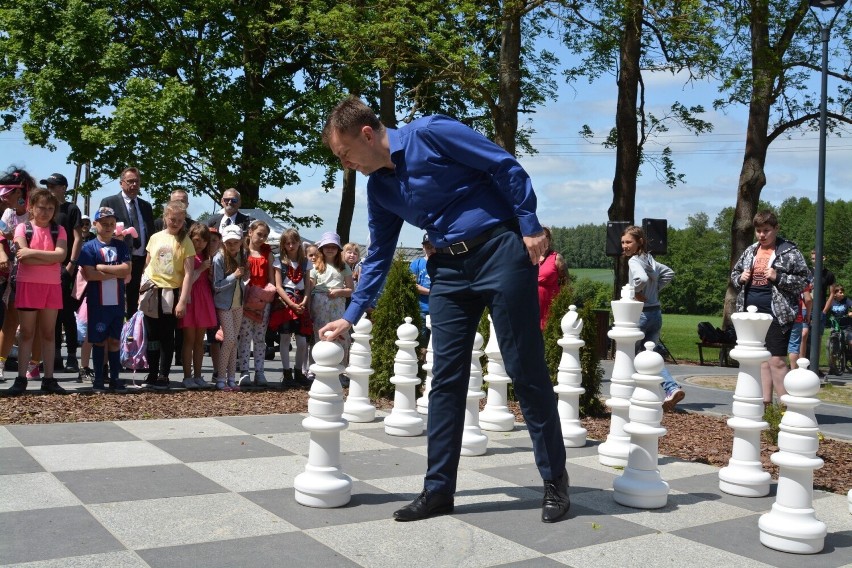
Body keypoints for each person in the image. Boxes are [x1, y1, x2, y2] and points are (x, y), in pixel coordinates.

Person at [319, 97, 570, 524]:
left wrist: (528, 224)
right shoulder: (378, 188)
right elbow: (379, 253)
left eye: (345, 155)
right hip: (448, 270)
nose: (347, 165)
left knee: (524, 368)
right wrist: (352, 313)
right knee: (444, 379)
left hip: (500, 251)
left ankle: (554, 482)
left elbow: (503, 165)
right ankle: (437, 491)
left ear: (366, 133)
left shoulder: (430, 133)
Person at [731, 210, 808, 406]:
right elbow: (735, 274)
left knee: (776, 360)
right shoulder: (750, 251)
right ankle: (765, 405)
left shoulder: (789, 251)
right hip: (750, 311)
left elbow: (804, 281)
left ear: (776, 228)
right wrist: (740, 278)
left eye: (766, 230)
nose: (762, 235)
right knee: (761, 360)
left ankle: (784, 406)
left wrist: (778, 277)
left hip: (777, 312)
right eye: (758, 231)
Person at [7, 188, 67, 395]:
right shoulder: (22, 228)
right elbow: (22, 257)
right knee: (26, 334)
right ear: (31, 208)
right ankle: (21, 378)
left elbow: (60, 255)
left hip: (52, 287)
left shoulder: (59, 230)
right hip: (27, 285)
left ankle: (48, 378)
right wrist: (47, 256)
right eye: (41, 207)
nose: (46, 212)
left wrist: (33, 253)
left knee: (49, 334)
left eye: (50, 208)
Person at [621, 225, 684, 411]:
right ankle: (671, 389)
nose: (625, 246)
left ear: (639, 242)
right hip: (656, 313)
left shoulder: (634, 261)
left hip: (640, 314)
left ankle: (629, 395)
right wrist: (655, 290)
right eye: (623, 242)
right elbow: (669, 273)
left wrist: (636, 292)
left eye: (629, 242)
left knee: (629, 355)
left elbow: (640, 279)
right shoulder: (650, 259)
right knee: (651, 355)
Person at [141, 200, 195, 390]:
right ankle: (152, 371)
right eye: (172, 219)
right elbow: (147, 265)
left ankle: (164, 373)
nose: (176, 223)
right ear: (165, 218)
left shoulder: (185, 241)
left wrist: (181, 301)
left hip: (171, 292)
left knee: (167, 336)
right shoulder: (155, 237)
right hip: (152, 291)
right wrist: (142, 289)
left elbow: (189, 273)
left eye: (180, 220)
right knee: (152, 335)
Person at [77, 206, 132, 393]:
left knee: (115, 341)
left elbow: (126, 270)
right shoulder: (88, 247)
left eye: (111, 224)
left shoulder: (121, 246)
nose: (108, 227)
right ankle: (98, 379)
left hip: (116, 304)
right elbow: (90, 275)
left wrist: (102, 267)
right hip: (97, 303)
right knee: (99, 341)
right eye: (104, 223)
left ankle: (115, 379)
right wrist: (114, 271)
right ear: (95, 224)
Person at [0, 168, 43, 383]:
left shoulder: (37, 212)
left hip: (34, 270)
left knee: (33, 323)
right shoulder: (7, 212)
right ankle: (0, 362)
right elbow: (3, 235)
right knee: (10, 319)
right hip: (13, 272)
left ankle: (34, 365)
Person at [100, 167, 155, 319]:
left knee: (136, 301)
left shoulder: (145, 206)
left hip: (141, 260)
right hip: (118, 259)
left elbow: (150, 232)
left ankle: (132, 335)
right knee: (115, 299)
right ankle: (114, 336)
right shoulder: (109, 202)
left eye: (137, 181)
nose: (134, 185)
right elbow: (101, 229)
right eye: (130, 181)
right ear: (121, 183)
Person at [42, 173, 83, 373]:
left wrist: (72, 264)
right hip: (47, 268)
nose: (50, 189)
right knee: (51, 314)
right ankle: (54, 355)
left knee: (67, 313)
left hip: (66, 267)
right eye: (48, 185)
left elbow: (77, 238)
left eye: (54, 185)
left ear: (64, 187)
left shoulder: (71, 209)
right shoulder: (46, 211)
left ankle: (72, 357)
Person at [273, 228, 313, 389]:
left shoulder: (305, 262)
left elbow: (308, 284)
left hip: (301, 300)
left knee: (302, 341)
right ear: (283, 245)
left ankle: (299, 372)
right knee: (285, 338)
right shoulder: (279, 261)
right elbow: (278, 286)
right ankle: (287, 372)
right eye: (287, 243)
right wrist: (291, 303)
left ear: (299, 243)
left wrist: (304, 300)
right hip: (285, 302)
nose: (291, 246)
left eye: (294, 243)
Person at [178, 223, 217, 389]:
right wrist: (201, 269)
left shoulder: (207, 257)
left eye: (204, 241)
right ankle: (187, 376)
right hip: (190, 297)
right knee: (189, 339)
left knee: (200, 341)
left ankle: (199, 375)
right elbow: (186, 279)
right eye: (196, 240)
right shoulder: (187, 255)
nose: (200, 244)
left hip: (203, 297)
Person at [310, 231, 353, 378]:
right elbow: (310, 287)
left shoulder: (343, 266)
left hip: (337, 301)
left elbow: (350, 290)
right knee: (320, 332)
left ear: (338, 249)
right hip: (320, 301)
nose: (330, 249)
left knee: (341, 334)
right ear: (321, 248)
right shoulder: (315, 266)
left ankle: (342, 369)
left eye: (333, 247)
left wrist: (339, 291)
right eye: (326, 246)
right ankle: (319, 368)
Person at [237, 220, 274, 387]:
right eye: (259, 234)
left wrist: (269, 293)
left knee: (260, 337)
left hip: (263, 299)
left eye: (265, 236)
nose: (262, 238)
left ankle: (260, 371)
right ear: (250, 232)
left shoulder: (267, 253)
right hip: (246, 297)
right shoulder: (242, 251)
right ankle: (244, 371)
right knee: (245, 336)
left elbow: (271, 278)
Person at [212, 225, 247, 390]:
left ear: (241, 242)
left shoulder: (242, 256)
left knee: (234, 342)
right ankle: (220, 378)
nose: (232, 245)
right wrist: (234, 276)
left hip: (238, 304)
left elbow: (243, 281)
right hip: (224, 305)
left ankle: (231, 378)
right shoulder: (219, 258)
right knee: (230, 340)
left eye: (235, 242)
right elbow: (217, 286)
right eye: (229, 242)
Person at [537, 226, 567, 330]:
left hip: (550, 307)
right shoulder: (530, 257)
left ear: (550, 240)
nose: (543, 240)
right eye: (540, 237)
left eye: (546, 237)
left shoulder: (557, 258)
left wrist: (562, 303)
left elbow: (565, 283)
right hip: (531, 306)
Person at [409, 233, 434, 348]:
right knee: (422, 340)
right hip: (421, 309)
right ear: (423, 247)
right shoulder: (416, 264)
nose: (431, 249)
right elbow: (413, 285)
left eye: (433, 246)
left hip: (437, 308)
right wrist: (431, 292)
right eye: (428, 247)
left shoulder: (444, 264)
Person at [827, 285, 852, 367]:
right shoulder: (831, 301)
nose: (842, 294)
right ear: (834, 294)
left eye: (843, 292)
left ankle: (849, 355)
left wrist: (850, 313)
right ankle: (833, 367)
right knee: (834, 347)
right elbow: (825, 309)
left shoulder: (846, 300)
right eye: (840, 292)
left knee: (850, 342)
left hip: (846, 326)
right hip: (835, 326)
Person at [788, 287, 812, 370]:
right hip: (797, 315)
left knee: (778, 345)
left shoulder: (778, 275)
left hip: (780, 315)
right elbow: (808, 299)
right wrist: (808, 315)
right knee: (794, 345)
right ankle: (794, 371)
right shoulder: (801, 279)